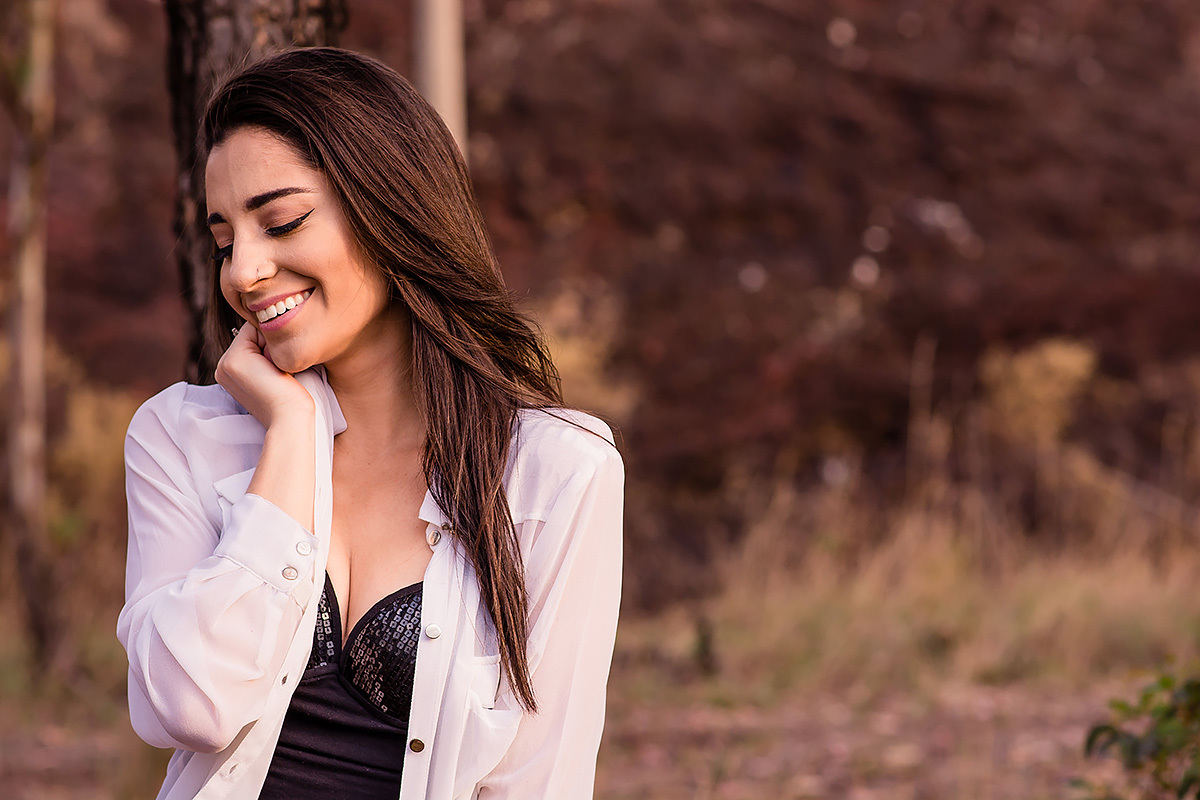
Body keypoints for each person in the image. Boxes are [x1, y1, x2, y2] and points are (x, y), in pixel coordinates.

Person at [117, 47, 624, 800]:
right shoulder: (180, 437)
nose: (242, 272)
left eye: (281, 222)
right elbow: (189, 704)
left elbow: (540, 780)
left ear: (389, 207)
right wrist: (291, 431)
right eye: (225, 240)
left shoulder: (557, 470)